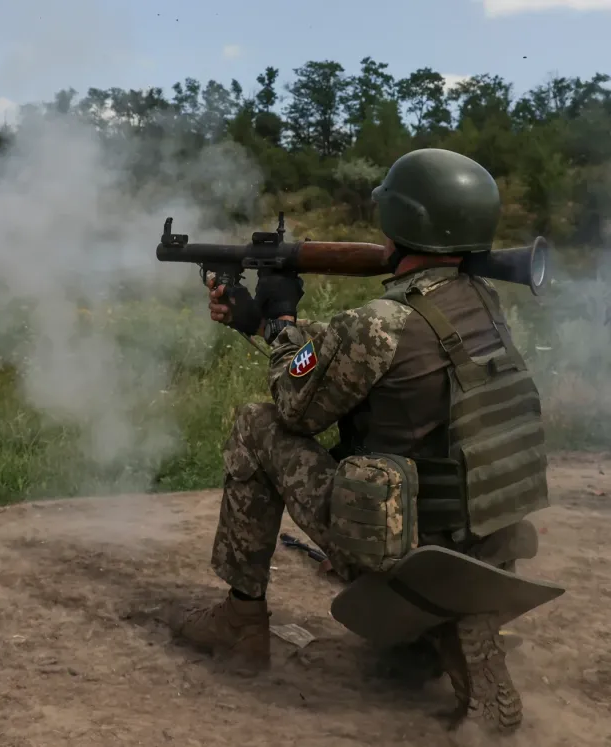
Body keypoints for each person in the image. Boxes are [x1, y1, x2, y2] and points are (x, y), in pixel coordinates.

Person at [167, 147, 550, 733]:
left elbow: (295, 407)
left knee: (254, 423)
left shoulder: (380, 323)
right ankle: (441, 624)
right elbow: (367, 367)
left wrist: (279, 319)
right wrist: (265, 325)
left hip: (403, 546)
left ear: (401, 220)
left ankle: (242, 623)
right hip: (480, 540)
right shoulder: (484, 304)